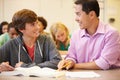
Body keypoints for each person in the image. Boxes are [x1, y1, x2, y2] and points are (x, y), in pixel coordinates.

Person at [58, 0, 120, 70]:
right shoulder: (76, 35)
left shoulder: (111, 34)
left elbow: (104, 63)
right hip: (81, 76)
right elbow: (72, 56)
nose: (76, 19)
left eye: (78, 14)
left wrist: (75, 66)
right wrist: (68, 62)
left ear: (91, 15)